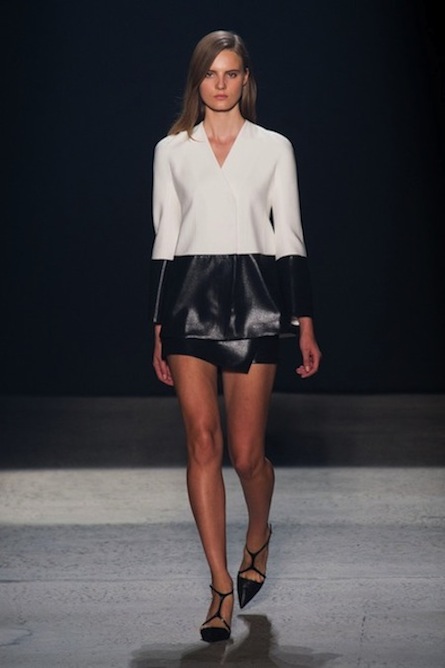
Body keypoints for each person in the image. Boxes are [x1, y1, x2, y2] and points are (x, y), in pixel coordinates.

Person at [150, 30, 321, 643]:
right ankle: (220, 586)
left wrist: (304, 321)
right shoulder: (172, 150)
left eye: (231, 73)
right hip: (188, 302)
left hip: (255, 299)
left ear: (246, 79)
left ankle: (258, 533)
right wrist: (158, 325)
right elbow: (165, 239)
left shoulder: (274, 148)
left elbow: (289, 235)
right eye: (210, 73)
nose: (220, 84)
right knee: (203, 442)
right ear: (197, 80)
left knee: (247, 455)